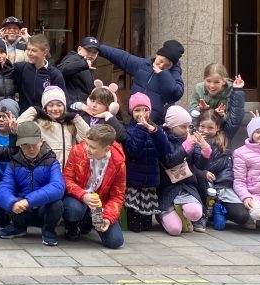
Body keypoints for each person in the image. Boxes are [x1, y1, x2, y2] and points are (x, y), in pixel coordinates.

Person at [0, 120, 65, 246]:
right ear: (19, 145)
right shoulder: (13, 164)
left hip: (44, 210)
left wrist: (29, 200)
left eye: (34, 143)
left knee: (57, 203)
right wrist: (12, 203)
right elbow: (4, 188)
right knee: (9, 199)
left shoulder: (51, 162)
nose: (31, 148)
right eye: (25, 145)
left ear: (41, 141)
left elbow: (58, 187)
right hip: (22, 210)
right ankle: (19, 227)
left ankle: (49, 230)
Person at [191, 76, 247, 229]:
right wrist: (202, 173)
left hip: (223, 185)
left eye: (210, 127)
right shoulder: (192, 138)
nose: (205, 130)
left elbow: (235, 117)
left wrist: (237, 91)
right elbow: (188, 164)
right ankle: (206, 213)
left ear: (218, 128)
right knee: (200, 185)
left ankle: (219, 209)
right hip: (203, 185)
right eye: (202, 126)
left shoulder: (225, 135)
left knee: (242, 217)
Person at [63, 125, 126, 248]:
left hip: (99, 205)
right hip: (78, 198)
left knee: (115, 242)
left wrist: (107, 217)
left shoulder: (118, 163)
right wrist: (83, 195)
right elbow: (66, 179)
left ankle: (88, 223)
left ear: (107, 149)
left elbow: (117, 195)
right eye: (87, 144)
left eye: (92, 147)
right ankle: (72, 226)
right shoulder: (77, 151)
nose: (87, 148)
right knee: (73, 209)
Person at [97, 38, 184, 125]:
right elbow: (122, 57)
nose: (161, 66)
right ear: (157, 55)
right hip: (135, 119)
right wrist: (97, 47)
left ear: (172, 65)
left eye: (167, 65)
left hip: (156, 124)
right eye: (160, 61)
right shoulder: (143, 65)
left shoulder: (174, 74)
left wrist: (163, 74)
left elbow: (176, 94)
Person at [122, 93, 168, 232]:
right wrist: (141, 128)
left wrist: (155, 132)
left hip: (150, 180)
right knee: (135, 225)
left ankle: (146, 219)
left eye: (145, 110)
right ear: (131, 112)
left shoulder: (156, 129)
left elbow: (165, 150)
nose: (141, 113)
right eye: (137, 110)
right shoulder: (129, 129)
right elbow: (133, 151)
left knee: (147, 225)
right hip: (134, 180)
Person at [157, 105, 205, 235]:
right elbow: (169, 161)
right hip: (167, 188)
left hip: (186, 186)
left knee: (195, 213)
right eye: (183, 127)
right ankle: (163, 215)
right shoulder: (162, 139)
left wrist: (206, 151)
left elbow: (200, 164)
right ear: (171, 126)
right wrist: (186, 146)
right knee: (175, 230)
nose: (187, 130)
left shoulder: (189, 138)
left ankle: (184, 213)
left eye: (189, 126)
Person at [17, 86, 89, 169]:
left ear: (64, 107)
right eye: (51, 105)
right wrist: (34, 110)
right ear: (45, 108)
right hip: (47, 171)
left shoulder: (70, 124)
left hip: (68, 172)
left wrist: (76, 118)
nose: (55, 108)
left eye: (59, 105)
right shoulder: (39, 123)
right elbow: (18, 127)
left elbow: (88, 138)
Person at [12, 34, 66, 114]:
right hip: (24, 117)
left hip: (46, 118)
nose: (29, 53)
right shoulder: (21, 68)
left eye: (34, 50)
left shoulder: (54, 74)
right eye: (28, 49)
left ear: (45, 52)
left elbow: (63, 102)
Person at [58, 36, 100, 106]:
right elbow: (61, 70)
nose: (91, 54)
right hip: (73, 106)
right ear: (79, 49)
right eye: (88, 50)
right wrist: (84, 64)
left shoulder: (86, 64)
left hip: (83, 105)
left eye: (94, 52)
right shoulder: (74, 58)